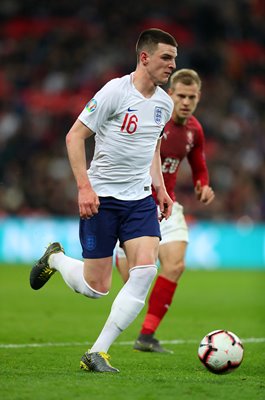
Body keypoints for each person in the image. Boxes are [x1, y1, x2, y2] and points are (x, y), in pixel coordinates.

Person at [29, 28, 178, 373]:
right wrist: (84, 187)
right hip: (103, 199)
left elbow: (152, 145)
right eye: (166, 57)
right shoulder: (115, 91)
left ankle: (97, 352)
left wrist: (161, 188)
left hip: (140, 200)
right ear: (144, 57)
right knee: (97, 288)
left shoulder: (164, 104)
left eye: (174, 59)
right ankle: (58, 259)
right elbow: (74, 136)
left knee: (144, 271)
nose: (172, 65)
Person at [115, 68, 215, 353]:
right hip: (134, 205)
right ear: (169, 93)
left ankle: (146, 336)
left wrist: (202, 185)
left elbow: (199, 166)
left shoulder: (195, 129)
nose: (185, 102)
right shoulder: (152, 118)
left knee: (175, 265)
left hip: (167, 206)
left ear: (198, 98)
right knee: (134, 283)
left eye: (191, 97)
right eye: (180, 95)